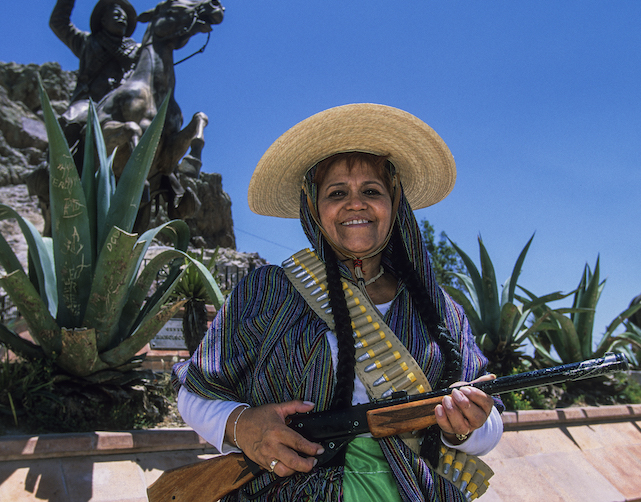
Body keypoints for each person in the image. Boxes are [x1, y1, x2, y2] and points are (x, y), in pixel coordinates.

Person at [173, 104, 503, 501]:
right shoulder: (268, 290)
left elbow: (490, 425)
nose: (355, 203)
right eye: (337, 193)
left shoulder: (438, 308)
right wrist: (242, 426)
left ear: (394, 202)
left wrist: (466, 427)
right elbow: (194, 392)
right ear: (313, 206)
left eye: (371, 191)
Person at [50, 0, 140, 144]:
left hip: (123, 105)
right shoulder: (86, 42)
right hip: (90, 102)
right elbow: (59, 23)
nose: (122, 18)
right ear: (103, 21)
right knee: (71, 122)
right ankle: (60, 158)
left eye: (124, 16)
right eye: (116, 14)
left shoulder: (137, 50)